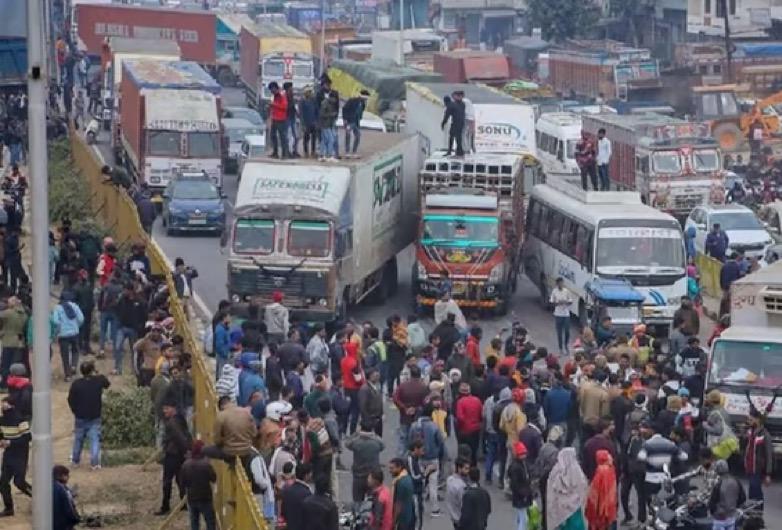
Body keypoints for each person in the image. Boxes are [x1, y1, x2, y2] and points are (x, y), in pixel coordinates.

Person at [67, 360, 110, 470]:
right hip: (95, 416)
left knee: (78, 439)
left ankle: (75, 460)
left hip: (80, 416)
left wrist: (75, 410)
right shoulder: (98, 381)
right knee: (95, 439)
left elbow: (70, 399)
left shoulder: (76, 384)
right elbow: (107, 384)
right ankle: (95, 463)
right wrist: (97, 372)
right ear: (92, 370)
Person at [156, 401, 191, 515]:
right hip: (180, 454)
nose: (164, 411)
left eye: (166, 408)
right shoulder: (180, 419)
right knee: (180, 479)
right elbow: (187, 435)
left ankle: (165, 505)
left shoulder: (171, 423)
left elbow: (179, 437)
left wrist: (185, 449)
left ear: (173, 408)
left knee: (167, 480)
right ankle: (183, 502)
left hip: (172, 454)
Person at [0, 395, 32, 517]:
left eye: (5, 404)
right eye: (2, 404)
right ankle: (9, 508)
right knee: (3, 483)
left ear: (12, 405)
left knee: (19, 482)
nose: (3, 406)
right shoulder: (2, 420)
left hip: (20, 455)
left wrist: (11, 442)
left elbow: (27, 437)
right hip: (8, 455)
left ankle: (41, 500)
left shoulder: (20, 419)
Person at [547, 447, 587, 530]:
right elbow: (582, 486)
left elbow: (551, 492)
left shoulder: (555, 471)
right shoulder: (576, 469)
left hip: (560, 509)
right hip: (575, 508)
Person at [345, 420, 385, 503]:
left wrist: (356, 434)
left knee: (357, 501)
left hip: (358, 475)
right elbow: (383, 445)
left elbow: (347, 443)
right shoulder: (376, 442)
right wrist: (374, 435)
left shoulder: (356, 442)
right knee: (372, 501)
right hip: (373, 476)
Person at [181, 440, 217, 530]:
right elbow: (214, 478)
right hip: (205, 498)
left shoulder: (186, 465)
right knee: (210, 522)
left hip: (192, 497)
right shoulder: (206, 465)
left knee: (194, 522)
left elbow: (182, 482)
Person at [743, 403, 774, 509]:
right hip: (749, 468)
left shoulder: (765, 435)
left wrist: (768, 474)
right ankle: (752, 513)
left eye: (751, 420)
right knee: (752, 492)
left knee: (756, 492)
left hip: (758, 469)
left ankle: (758, 514)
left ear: (758, 420)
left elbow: (769, 455)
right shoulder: (749, 432)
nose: (749, 422)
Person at [52, 291, 85, 381]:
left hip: (63, 335)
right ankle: (74, 365)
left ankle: (68, 375)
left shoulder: (57, 308)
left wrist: (58, 330)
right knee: (75, 351)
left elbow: (55, 321)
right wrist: (76, 326)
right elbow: (81, 318)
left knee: (65, 355)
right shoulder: (75, 306)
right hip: (74, 333)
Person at [585, 449, 617, 530]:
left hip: (600, 508)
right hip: (610, 505)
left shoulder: (600, 471)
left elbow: (596, 491)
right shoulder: (611, 469)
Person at [709, 459, 746, 530]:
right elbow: (742, 498)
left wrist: (714, 512)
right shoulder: (736, 480)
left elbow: (712, 502)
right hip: (731, 516)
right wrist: (734, 507)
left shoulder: (718, 483)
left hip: (719, 518)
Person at [454, 382, 482, 466]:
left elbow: (460, 417)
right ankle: (474, 468)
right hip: (475, 430)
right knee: (474, 452)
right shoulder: (477, 400)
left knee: (463, 453)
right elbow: (481, 414)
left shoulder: (460, 402)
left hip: (464, 431)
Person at [508, 442, 533, 530]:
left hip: (521, 496)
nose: (524, 455)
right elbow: (515, 484)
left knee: (521, 517)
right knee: (524, 519)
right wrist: (524, 494)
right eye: (522, 454)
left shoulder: (520, 464)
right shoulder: (518, 467)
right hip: (521, 496)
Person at [280, 462, 313, 530]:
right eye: (310, 473)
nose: (311, 475)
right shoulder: (307, 493)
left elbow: (283, 511)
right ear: (306, 476)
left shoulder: (287, 491)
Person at [390, 457, 416, 530]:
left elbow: (398, 505)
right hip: (410, 516)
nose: (390, 471)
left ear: (399, 467)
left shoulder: (400, 483)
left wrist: (393, 521)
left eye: (392, 468)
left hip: (403, 519)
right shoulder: (407, 477)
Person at [52, 465, 80, 529]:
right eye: (67, 475)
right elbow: (69, 510)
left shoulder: (46, 485)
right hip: (63, 525)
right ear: (62, 476)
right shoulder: (63, 489)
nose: (68, 477)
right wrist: (76, 519)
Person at [550, 277, 573, 354]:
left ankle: (566, 345)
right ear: (557, 284)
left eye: (562, 283)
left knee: (567, 331)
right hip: (558, 314)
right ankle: (561, 347)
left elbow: (570, 301)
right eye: (559, 283)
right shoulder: (554, 292)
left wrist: (565, 302)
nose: (561, 284)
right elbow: (551, 302)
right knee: (559, 332)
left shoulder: (566, 291)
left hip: (566, 314)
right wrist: (558, 303)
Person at [342, 90, 369, 155]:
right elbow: (344, 108)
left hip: (356, 122)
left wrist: (360, 118)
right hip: (349, 121)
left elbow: (361, 111)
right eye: (366, 97)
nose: (366, 99)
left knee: (358, 135)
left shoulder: (363, 103)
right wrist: (345, 119)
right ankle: (347, 151)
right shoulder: (352, 100)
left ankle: (354, 151)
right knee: (348, 135)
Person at [446, 457, 470, 528]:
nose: (468, 471)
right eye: (466, 468)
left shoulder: (450, 479)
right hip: (461, 518)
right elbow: (463, 504)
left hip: (454, 516)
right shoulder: (461, 486)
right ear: (459, 468)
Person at [268, 82, 290, 159]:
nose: (271, 91)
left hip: (281, 119)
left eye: (272, 89)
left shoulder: (282, 95)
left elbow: (284, 106)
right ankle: (275, 152)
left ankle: (284, 154)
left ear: (275, 88)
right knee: (273, 136)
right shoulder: (274, 95)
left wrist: (274, 104)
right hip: (275, 118)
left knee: (282, 137)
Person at [441, 91, 466, 157]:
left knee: (452, 136)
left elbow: (446, 117)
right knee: (458, 137)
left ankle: (450, 151)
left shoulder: (450, 106)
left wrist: (443, 124)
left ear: (445, 102)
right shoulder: (462, 104)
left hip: (456, 122)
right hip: (461, 122)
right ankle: (459, 151)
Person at [299, 87, 319, 157]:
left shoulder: (313, 100)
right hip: (306, 122)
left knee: (314, 138)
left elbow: (317, 111)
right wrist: (302, 124)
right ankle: (306, 152)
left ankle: (313, 151)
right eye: (308, 92)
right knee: (306, 138)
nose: (310, 93)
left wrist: (316, 121)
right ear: (305, 93)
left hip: (313, 122)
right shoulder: (302, 101)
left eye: (310, 92)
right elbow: (301, 113)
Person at [283, 82, 300, 157]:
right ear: (287, 89)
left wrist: (297, 113)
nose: (292, 89)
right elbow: (287, 106)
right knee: (288, 136)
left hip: (292, 117)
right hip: (287, 118)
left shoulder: (291, 96)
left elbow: (293, 107)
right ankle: (288, 151)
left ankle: (294, 151)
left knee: (296, 136)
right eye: (290, 88)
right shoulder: (285, 97)